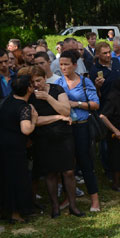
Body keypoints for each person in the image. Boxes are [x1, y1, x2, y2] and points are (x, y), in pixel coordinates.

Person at [27, 65, 81, 218]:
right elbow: (35, 120)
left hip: (64, 135)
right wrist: (57, 117)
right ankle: (55, 207)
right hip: (43, 137)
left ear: (45, 78)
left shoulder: (57, 89)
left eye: (39, 80)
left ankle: (73, 205)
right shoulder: (30, 95)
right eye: (33, 82)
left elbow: (66, 111)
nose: (37, 84)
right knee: (50, 173)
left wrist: (48, 98)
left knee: (68, 171)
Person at [54, 50, 101, 212]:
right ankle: (69, 197)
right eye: (61, 64)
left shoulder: (84, 82)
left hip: (82, 126)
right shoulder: (58, 83)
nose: (63, 67)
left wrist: (77, 104)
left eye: (66, 64)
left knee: (85, 162)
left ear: (75, 65)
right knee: (67, 166)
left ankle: (95, 200)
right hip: (65, 128)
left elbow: (95, 104)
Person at [0, 75, 38, 222]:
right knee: (16, 179)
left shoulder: (6, 100)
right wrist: (34, 119)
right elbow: (26, 129)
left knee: (1, 176)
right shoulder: (24, 106)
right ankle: (15, 213)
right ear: (29, 88)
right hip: (14, 147)